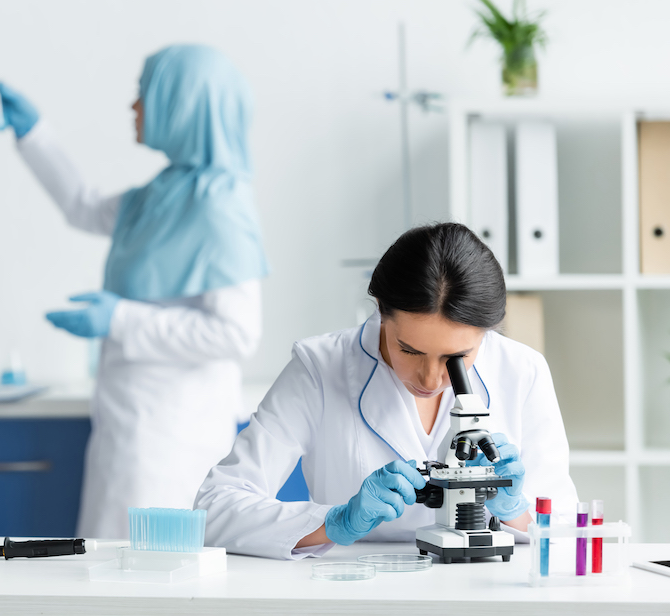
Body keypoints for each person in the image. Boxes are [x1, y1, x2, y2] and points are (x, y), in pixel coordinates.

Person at [0, 45, 269, 538]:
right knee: (112, 573)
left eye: (144, 93)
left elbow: (236, 334)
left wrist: (119, 319)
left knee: (146, 579)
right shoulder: (163, 193)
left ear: (182, 104)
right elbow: (83, 207)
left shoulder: (219, 207)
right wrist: (34, 133)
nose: (133, 106)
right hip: (128, 425)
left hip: (172, 437)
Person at [194, 222, 578, 559]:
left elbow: (565, 531)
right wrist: (336, 522)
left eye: (456, 357)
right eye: (409, 350)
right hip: (354, 586)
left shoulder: (522, 371)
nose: (429, 378)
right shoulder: (319, 367)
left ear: (487, 332)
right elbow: (215, 508)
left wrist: (514, 510)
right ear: (379, 310)